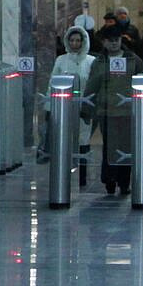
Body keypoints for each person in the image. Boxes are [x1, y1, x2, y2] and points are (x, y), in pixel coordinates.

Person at [86, 25, 143, 195]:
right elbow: (92, 85)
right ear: (104, 42)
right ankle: (109, 179)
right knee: (109, 147)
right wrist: (85, 107)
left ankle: (124, 181)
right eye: (109, 40)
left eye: (117, 40)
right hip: (106, 111)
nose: (113, 44)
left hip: (128, 110)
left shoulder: (133, 60)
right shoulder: (99, 62)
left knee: (126, 147)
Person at [46, 25, 97, 180]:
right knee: (65, 139)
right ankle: (64, 173)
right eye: (72, 40)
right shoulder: (61, 61)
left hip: (84, 107)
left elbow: (94, 85)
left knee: (83, 139)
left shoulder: (91, 61)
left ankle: (82, 174)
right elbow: (52, 84)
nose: (75, 43)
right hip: (64, 107)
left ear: (83, 42)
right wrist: (49, 107)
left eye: (78, 40)